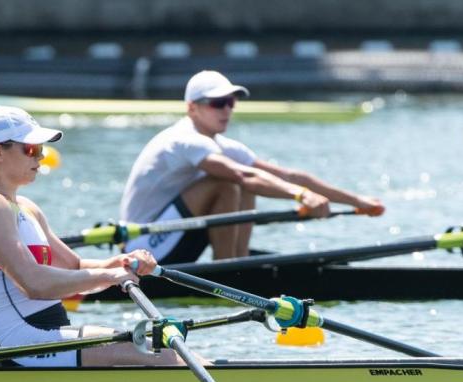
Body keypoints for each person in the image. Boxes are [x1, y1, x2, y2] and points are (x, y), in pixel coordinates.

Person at [0, 105, 178, 367]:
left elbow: (75, 266)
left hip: (48, 337)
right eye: (31, 149)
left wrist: (121, 263)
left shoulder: (27, 207)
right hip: (21, 346)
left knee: (166, 349)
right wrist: (108, 276)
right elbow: (34, 283)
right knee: (158, 353)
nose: (40, 157)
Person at [118, 70, 384, 261]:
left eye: (231, 102)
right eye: (217, 103)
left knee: (249, 181)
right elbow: (240, 174)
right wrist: (302, 197)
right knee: (227, 183)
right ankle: (229, 271)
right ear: (192, 109)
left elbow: (288, 175)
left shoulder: (223, 145)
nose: (226, 110)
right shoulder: (183, 139)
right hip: (142, 250)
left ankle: (237, 262)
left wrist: (357, 201)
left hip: (174, 239)